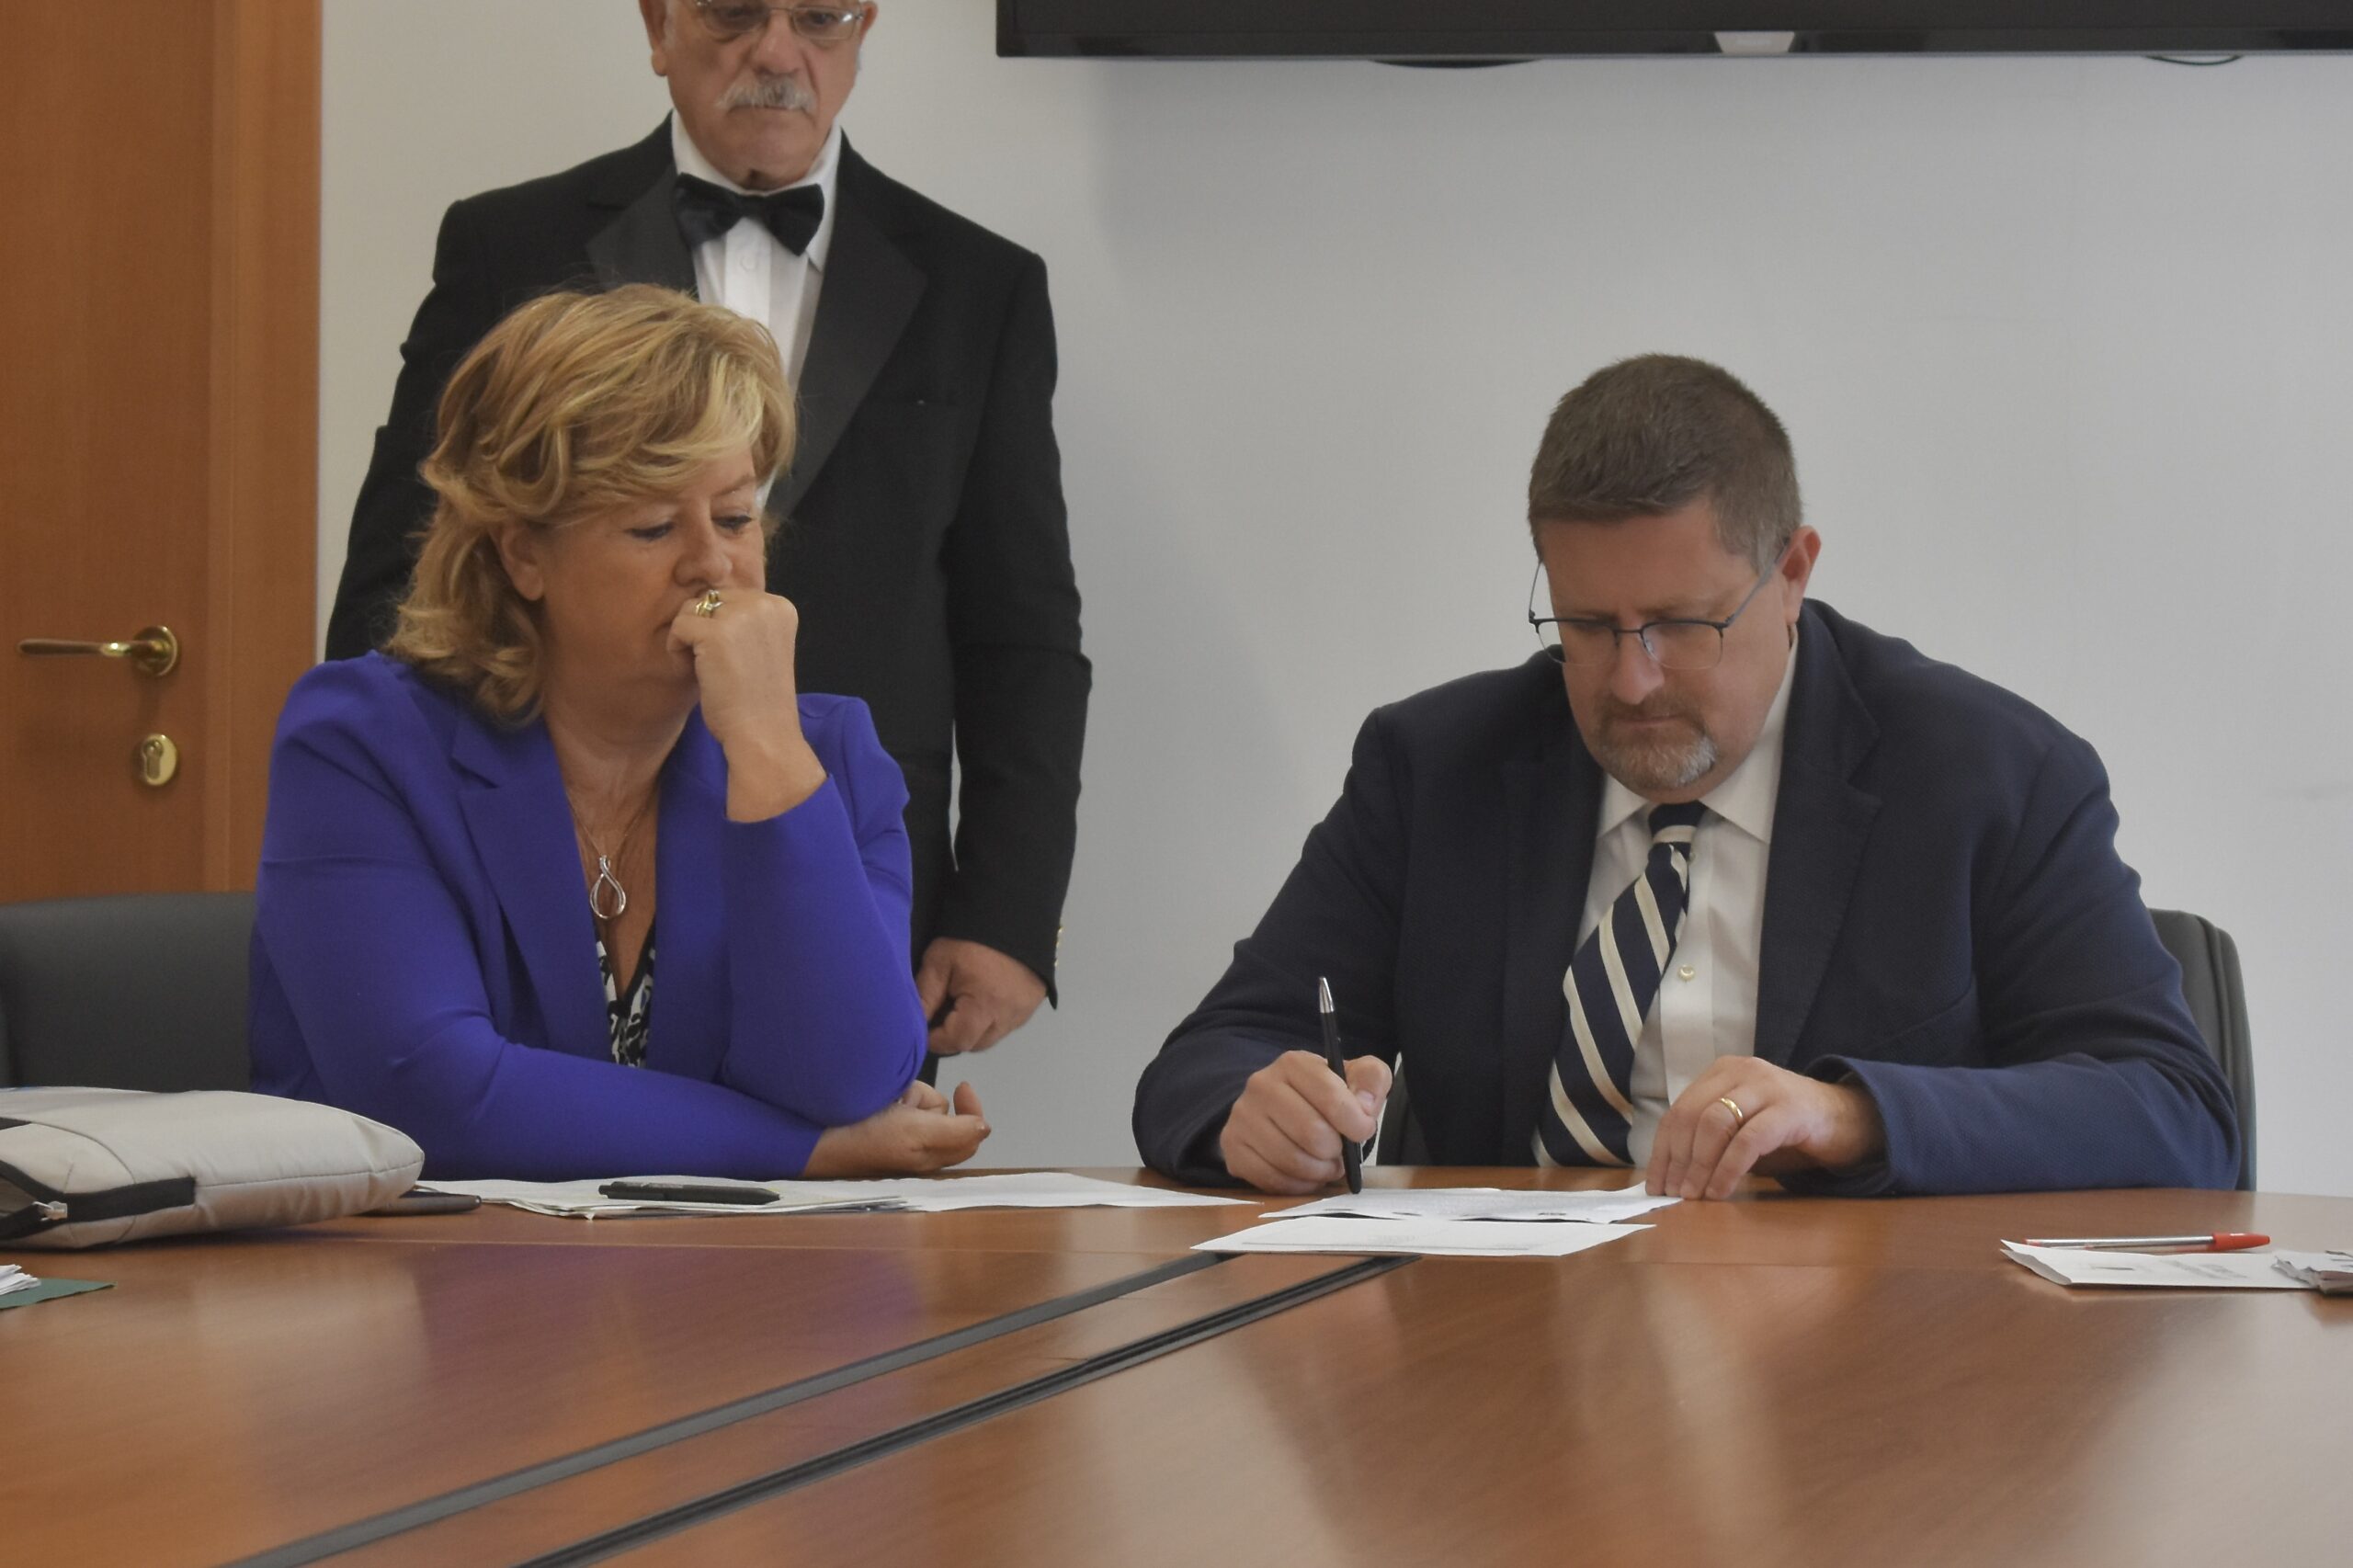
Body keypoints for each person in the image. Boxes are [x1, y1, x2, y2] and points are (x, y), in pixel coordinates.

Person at [1134, 355, 2240, 1199]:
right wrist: (1251, 1110)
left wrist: (1854, 1117)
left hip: (1869, 1364)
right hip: (1498, 1360)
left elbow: (2177, 1112)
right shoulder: (1437, 769)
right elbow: (1210, 1054)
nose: (1631, 680)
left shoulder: (1988, 773)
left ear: (1792, 572)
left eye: (1679, 624)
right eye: (1586, 625)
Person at [324, 0, 1088, 1062]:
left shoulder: (982, 284)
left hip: (850, 861)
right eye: (733, 11)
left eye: (818, 16)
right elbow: (406, 564)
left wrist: (1007, 910)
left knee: (840, 1126)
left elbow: (1021, 627)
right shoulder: (509, 244)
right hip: (535, 856)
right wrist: (397, 819)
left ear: (864, 28)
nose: (777, 51)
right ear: (658, 25)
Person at [254, 286, 990, 1180]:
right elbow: (432, 1097)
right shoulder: (360, 745)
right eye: (652, 526)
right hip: (420, 1261)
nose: (712, 565)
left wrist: (765, 746)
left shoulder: (824, 757)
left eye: (735, 517)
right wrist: (802, 1150)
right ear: (523, 553)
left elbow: (848, 1078)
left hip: (736, 1265)